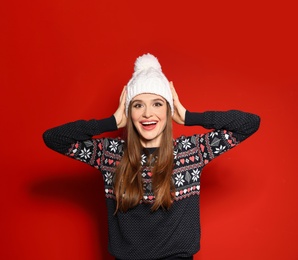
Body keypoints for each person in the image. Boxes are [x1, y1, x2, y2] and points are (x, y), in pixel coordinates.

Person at [43, 53, 260, 260]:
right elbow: (53, 138)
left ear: (168, 109)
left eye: (157, 103)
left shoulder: (191, 151)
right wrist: (112, 122)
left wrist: (187, 116)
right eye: (138, 105)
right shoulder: (110, 154)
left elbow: (249, 124)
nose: (148, 113)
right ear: (130, 112)